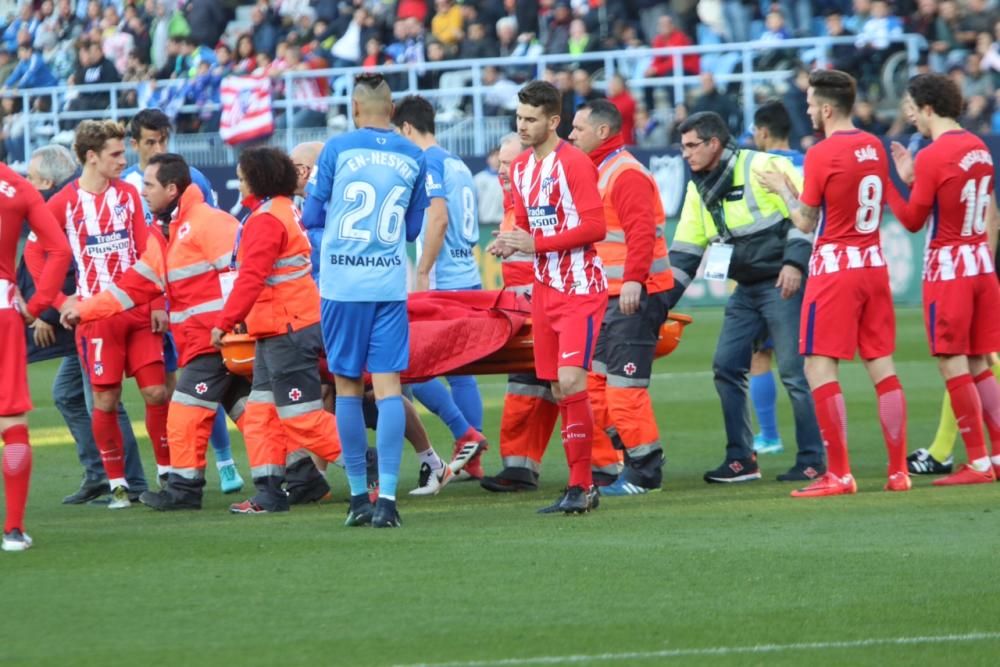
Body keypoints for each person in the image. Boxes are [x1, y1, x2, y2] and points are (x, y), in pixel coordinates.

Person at [62, 154, 253, 510]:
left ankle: (183, 491)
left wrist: (229, 327)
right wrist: (84, 310)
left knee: (182, 413)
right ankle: (298, 472)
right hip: (210, 341)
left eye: (149, 185)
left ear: (171, 189)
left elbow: (236, 275)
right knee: (251, 413)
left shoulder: (206, 223)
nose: (143, 191)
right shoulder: (164, 233)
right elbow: (131, 288)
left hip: (215, 342)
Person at [756, 69, 910, 497]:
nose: (806, 111)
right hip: (874, 264)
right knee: (881, 363)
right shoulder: (874, 145)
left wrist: (783, 188)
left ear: (826, 108)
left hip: (836, 267)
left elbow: (805, 220)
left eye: (809, 105)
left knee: (818, 366)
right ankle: (899, 472)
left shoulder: (822, 153)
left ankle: (839, 473)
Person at [664, 111, 823, 484]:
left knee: (795, 373)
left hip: (783, 282)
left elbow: (805, 216)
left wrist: (795, 265)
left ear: (714, 143)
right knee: (726, 366)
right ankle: (741, 460)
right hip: (746, 288)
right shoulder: (697, 187)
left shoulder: (765, 165)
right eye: (682, 146)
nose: (685, 154)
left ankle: (813, 459)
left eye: (691, 146)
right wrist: (659, 303)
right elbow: (686, 250)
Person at [302, 73, 429, 528]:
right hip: (388, 287)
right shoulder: (415, 156)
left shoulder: (337, 149)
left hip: (341, 288)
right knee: (390, 388)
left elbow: (313, 213)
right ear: (392, 112)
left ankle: (358, 497)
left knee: (348, 389)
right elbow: (413, 230)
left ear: (355, 109)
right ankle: (389, 501)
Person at [491, 80, 608, 514]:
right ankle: (581, 484)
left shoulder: (575, 163)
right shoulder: (521, 168)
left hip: (579, 289)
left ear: (553, 121)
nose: (522, 126)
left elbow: (596, 228)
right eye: (519, 118)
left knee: (574, 380)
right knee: (559, 386)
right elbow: (525, 227)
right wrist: (508, 242)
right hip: (545, 291)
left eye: (531, 119)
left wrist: (534, 245)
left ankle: (583, 485)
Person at [211, 147, 343, 514]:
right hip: (281, 327)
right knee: (261, 413)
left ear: (258, 179)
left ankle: (374, 469)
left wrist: (224, 321)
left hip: (287, 329)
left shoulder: (265, 219)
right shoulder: (284, 210)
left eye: (242, 177)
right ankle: (269, 492)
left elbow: (252, 278)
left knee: (300, 418)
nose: (238, 184)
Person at [48, 120, 170, 510]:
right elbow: (37, 256)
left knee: (156, 391)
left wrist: (155, 304)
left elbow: (146, 250)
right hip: (97, 317)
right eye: (116, 154)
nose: (124, 160)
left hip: (138, 312)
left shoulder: (130, 196)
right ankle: (118, 485)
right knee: (105, 401)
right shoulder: (63, 203)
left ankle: (168, 477)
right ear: (91, 157)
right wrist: (60, 301)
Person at [121, 108, 244, 495]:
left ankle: (221, 464)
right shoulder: (128, 187)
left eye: (163, 140)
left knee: (193, 388)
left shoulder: (192, 180)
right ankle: (178, 473)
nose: (158, 146)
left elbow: (212, 239)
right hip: (159, 302)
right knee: (182, 391)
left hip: (192, 311)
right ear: (135, 144)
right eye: (150, 142)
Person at [886, 73, 1000, 485]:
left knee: (953, 363)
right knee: (980, 362)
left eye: (913, 111)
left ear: (929, 108)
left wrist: (889, 186)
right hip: (981, 267)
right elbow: (980, 207)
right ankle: (998, 456)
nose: (912, 119)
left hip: (948, 270)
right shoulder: (980, 148)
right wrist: (914, 178)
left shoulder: (934, 155)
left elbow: (914, 220)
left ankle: (977, 462)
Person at [21, 144, 148, 505]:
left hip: (94, 317)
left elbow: (73, 264)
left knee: (103, 402)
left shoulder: (73, 204)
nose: (29, 183)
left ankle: (129, 481)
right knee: (71, 395)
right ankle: (100, 474)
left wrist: (53, 309)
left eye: (32, 178)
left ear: (45, 179)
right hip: (81, 316)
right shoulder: (65, 202)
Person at [568, 99, 672, 495]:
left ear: (602, 132)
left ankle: (645, 472)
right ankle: (629, 457)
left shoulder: (624, 173)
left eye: (577, 129)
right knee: (593, 385)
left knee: (622, 390)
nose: (571, 135)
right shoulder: (601, 171)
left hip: (632, 296)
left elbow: (640, 232)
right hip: (606, 296)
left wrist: (633, 280)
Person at [391, 95, 488, 484]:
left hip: (445, 283)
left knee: (410, 367)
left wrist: (423, 272)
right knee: (462, 375)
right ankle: (472, 456)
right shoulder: (457, 162)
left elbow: (439, 218)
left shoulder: (427, 161)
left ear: (408, 129)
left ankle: (464, 433)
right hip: (469, 276)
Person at [480, 134, 560, 493]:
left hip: (553, 310)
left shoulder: (543, 196)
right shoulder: (515, 203)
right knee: (527, 390)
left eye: (510, 164)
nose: (503, 171)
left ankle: (608, 465)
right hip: (529, 314)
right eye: (500, 163)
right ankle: (518, 468)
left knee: (567, 388)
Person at [0, 162, 72, 551]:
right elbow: (58, 249)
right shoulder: (17, 187)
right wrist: (40, 303)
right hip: (3, 309)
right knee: (11, 421)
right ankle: (12, 529)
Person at [746, 100, 809, 457]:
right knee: (813, 362)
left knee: (761, 357)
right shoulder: (808, 162)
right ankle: (820, 440)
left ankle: (769, 436)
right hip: (813, 267)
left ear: (763, 132)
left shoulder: (760, 167)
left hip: (771, 272)